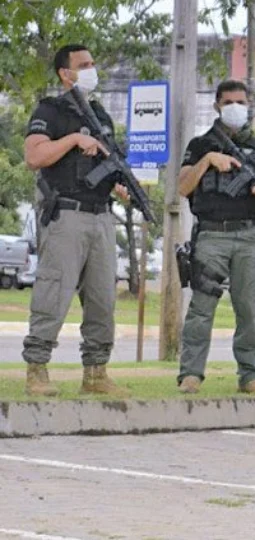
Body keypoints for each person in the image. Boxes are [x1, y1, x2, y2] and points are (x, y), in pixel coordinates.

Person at [21, 44, 131, 398]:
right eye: (83, 65)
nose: (91, 69)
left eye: (93, 63)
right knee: (53, 293)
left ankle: (96, 373)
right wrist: (72, 138)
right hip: (65, 215)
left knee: (103, 299)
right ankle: (37, 370)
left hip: (101, 217)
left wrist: (119, 184)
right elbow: (34, 156)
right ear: (64, 74)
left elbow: (107, 164)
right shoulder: (50, 110)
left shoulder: (101, 116)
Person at [175, 80, 255, 395]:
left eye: (242, 102)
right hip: (211, 235)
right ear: (217, 105)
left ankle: (251, 375)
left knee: (248, 308)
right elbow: (182, 186)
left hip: (248, 235)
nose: (237, 107)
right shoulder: (200, 144)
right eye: (230, 101)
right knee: (202, 308)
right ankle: (191, 374)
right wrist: (208, 162)